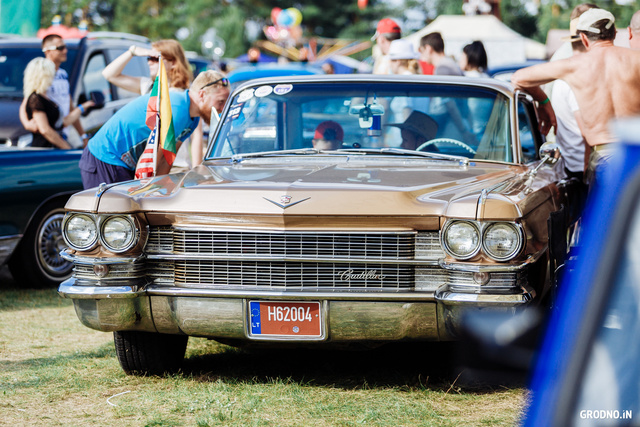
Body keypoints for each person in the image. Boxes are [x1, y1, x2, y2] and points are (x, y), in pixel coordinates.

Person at [511, 8, 640, 184]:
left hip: (603, 159)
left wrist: (543, 102)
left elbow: (518, 79)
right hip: (635, 154)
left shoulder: (574, 66)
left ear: (584, 39)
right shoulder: (635, 59)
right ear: (615, 34)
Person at [79, 70, 230, 189]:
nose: (222, 109)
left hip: (121, 162)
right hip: (106, 157)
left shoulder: (192, 119)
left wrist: (159, 189)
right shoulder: (177, 109)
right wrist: (151, 191)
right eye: (220, 102)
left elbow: (167, 158)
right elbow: (154, 160)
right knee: (113, 219)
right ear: (202, 94)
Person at [101, 39, 204, 171]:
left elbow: (196, 135)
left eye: (155, 58)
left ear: (173, 62)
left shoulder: (187, 94)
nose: (149, 62)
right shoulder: (148, 87)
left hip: (176, 167)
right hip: (146, 166)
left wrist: (197, 171)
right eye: (148, 58)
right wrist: (132, 52)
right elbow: (109, 74)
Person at [551, 4, 598, 182]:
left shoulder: (562, 64)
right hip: (582, 169)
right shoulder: (580, 76)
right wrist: (588, 171)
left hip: (570, 166)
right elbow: (588, 132)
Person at [20, 34, 90, 147]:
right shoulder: (41, 75)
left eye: (65, 47)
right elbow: (28, 101)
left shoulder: (62, 74)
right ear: (47, 51)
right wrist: (27, 124)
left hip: (63, 130)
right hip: (49, 134)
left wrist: (82, 135)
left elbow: (69, 105)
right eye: (60, 48)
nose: (65, 51)